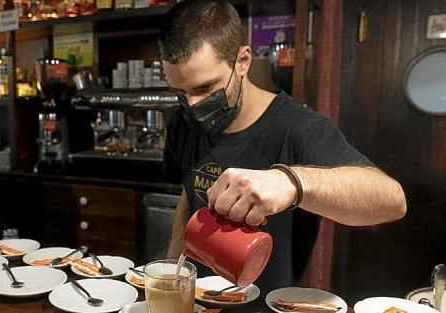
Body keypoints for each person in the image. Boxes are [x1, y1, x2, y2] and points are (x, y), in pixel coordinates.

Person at [160, 0, 407, 293]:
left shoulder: (299, 128)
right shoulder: (181, 122)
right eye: (181, 92)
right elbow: (189, 196)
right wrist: (171, 270)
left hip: (264, 304)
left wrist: (290, 182)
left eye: (205, 88)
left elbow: (392, 201)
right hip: (196, 299)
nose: (192, 105)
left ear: (243, 61)